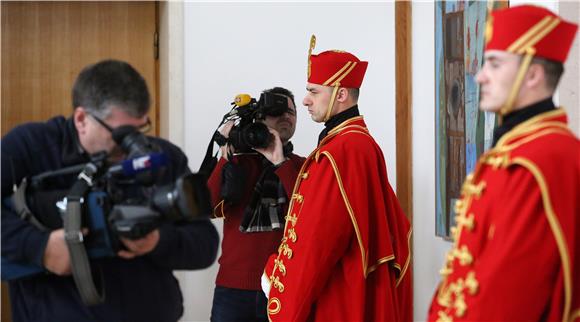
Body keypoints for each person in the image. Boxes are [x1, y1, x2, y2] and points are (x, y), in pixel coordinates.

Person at [1, 59, 219, 322]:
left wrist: (157, 241)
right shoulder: (30, 146)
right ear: (82, 119)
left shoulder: (162, 157)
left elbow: (205, 244)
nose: (132, 145)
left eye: (141, 129)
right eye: (122, 134)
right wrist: (40, 248)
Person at [428, 5, 579, 322]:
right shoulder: (520, 149)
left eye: (495, 64)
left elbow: (507, 300)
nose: (480, 75)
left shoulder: (538, 160)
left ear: (533, 74)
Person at [262, 36, 412, 322]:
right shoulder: (357, 143)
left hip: (340, 298)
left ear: (340, 94)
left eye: (314, 92)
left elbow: (317, 240)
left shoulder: (342, 150)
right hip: (349, 288)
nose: (305, 100)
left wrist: (283, 296)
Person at [207, 87, 305, 322]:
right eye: (277, 111)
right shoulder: (239, 163)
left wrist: (280, 163)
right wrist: (225, 158)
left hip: (283, 286)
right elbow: (208, 206)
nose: (286, 117)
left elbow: (306, 212)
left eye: (291, 112)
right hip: (233, 288)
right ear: (260, 117)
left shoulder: (303, 166)